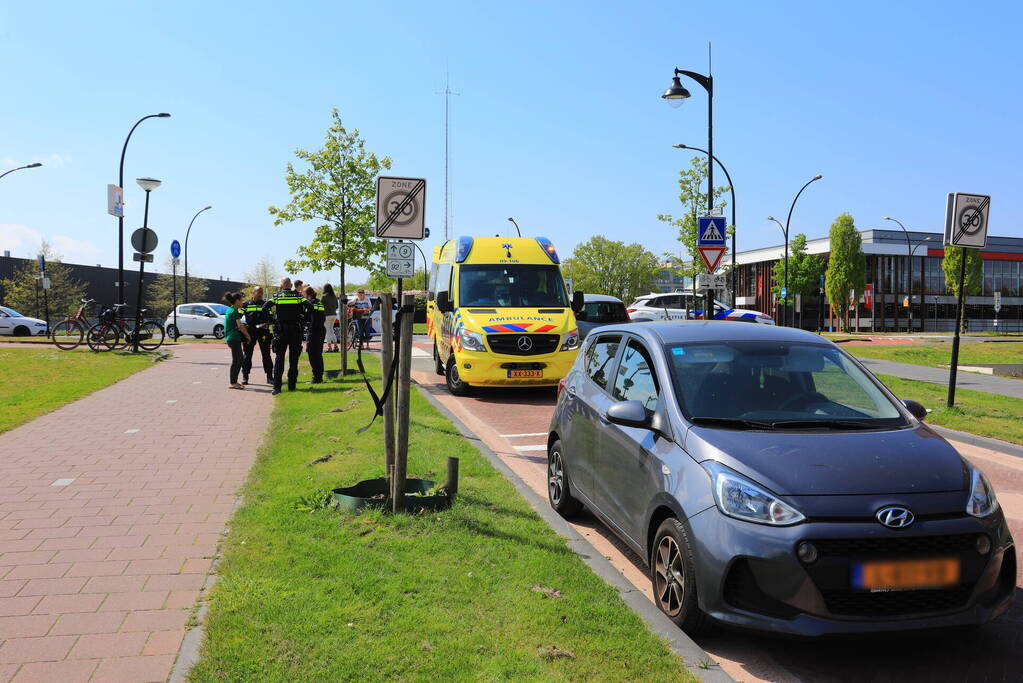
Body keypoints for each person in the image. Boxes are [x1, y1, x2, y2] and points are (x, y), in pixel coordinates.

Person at [263, 277, 306, 395]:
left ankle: (277, 388)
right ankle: (292, 386)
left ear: (281, 285)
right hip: (295, 330)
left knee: (279, 359)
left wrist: (272, 320)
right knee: (293, 359)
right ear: (291, 285)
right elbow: (310, 307)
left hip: (281, 331)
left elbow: (265, 307)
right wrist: (303, 319)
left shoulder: (277, 296)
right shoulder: (298, 296)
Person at [241, 286, 273, 385]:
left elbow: (272, 318)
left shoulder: (265, 304)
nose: (260, 294)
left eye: (261, 292)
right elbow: (238, 317)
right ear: (252, 292)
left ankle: (269, 377)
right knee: (247, 355)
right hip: (250, 332)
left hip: (263, 332)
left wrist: (267, 323)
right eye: (258, 292)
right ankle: (245, 376)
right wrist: (243, 326)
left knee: (266, 355)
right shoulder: (245, 304)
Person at [223, 292, 251, 390]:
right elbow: (240, 326)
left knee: (239, 360)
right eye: (241, 300)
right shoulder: (234, 311)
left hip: (233, 338)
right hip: (233, 338)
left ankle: (234, 381)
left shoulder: (230, 310)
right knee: (237, 360)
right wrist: (248, 336)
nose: (242, 302)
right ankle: (233, 383)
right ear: (237, 301)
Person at [303, 285, 326, 384]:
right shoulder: (319, 302)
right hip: (321, 329)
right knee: (318, 354)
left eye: (303, 294)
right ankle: (319, 376)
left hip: (314, 331)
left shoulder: (310, 303)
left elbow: (308, 318)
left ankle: (316, 378)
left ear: (307, 294)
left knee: (312, 353)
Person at [322, 283, 339, 353]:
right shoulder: (334, 296)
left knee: (328, 331)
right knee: (331, 330)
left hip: (327, 315)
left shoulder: (324, 297)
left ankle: (329, 347)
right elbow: (337, 306)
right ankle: (335, 346)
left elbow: (321, 306)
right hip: (334, 315)